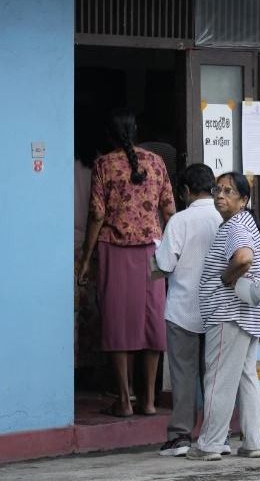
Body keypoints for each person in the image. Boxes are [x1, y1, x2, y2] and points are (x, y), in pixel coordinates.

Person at [77, 108, 176, 417]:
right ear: (136, 131)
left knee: (118, 322)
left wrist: (84, 259)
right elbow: (170, 211)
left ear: (110, 135)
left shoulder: (104, 164)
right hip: (153, 252)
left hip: (115, 250)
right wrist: (171, 252)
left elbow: (97, 214)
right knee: (152, 323)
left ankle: (123, 401)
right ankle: (148, 401)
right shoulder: (157, 163)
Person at [187, 172, 260, 461]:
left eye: (229, 192)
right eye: (218, 189)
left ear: (243, 199)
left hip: (229, 315)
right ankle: (253, 442)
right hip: (248, 314)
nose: (220, 195)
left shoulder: (234, 228)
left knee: (218, 379)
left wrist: (226, 278)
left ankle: (210, 444)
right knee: (246, 378)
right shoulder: (246, 224)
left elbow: (244, 258)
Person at [154, 164, 224, 457]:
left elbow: (165, 265)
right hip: (217, 309)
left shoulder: (179, 221)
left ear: (185, 191)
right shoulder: (227, 217)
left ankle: (181, 437)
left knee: (183, 376)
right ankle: (218, 436)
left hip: (183, 308)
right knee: (215, 376)